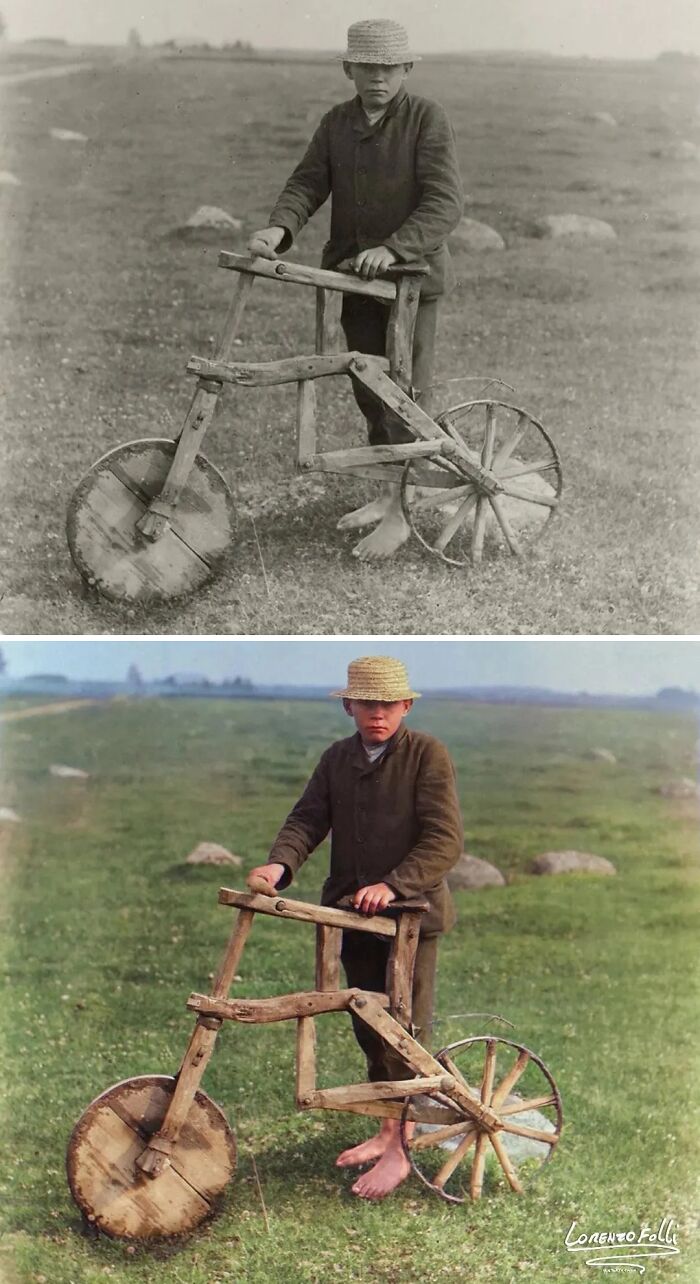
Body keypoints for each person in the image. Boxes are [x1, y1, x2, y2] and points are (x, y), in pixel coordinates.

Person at [246, 18, 464, 561]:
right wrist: (281, 227)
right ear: (349, 69)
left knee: (406, 395)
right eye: (367, 67)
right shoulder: (336, 123)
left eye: (389, 67)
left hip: (410, 283)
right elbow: (307, 182)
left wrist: (394, 248)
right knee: (368, 389)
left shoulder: (426, 119)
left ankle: (400, 514)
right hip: (355, 279)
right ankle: (388, 494)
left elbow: (444, 201)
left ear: (406, 69)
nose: (378, 78)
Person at [247, 655, 463, 1200]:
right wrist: (280, 864)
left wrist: (394, 885)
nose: (378, 714)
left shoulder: (427, 755)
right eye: (367, 703)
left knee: (406, 1032)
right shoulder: (337, 759)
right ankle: (390, 1127)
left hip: (410, 918)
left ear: (406, 706)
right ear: (349, 705)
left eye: (389, 704)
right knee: (368, 1026)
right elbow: (307, 819)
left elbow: (444, 839)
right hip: (352, 915)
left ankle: (400, 1148)